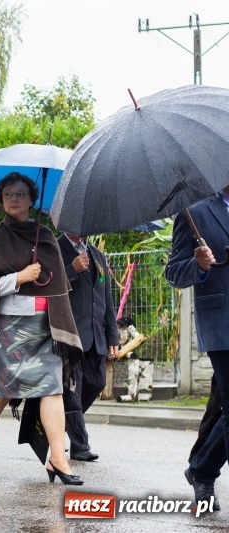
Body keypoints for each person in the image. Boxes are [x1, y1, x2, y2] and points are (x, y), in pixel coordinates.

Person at [0, 172, 83, 484]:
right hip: (6, 329)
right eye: (8, 194)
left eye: (20, 194)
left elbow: (59, 287)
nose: (14, 199)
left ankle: (58, 458)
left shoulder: (47, 237)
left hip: (44, 328)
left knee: (53, 388)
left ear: (31, 199)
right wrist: (19, 278)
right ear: (1, 201)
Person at [165, 188, 229, 512]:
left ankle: (202, 469)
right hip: (222, 325)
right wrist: (198, 264)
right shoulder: (194, 212)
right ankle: (203, 471)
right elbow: (173, 271)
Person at [59, 232, 119, 461]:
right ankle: (80, 445)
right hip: (69, 334)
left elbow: (106, 298)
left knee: (97, 382)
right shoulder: (54, 249)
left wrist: (113, 335)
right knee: (73, 391)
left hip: (96, 336)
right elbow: (46, 285)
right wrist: (72, 269)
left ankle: (60, 422)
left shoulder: (96, 255)